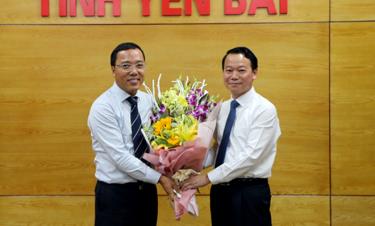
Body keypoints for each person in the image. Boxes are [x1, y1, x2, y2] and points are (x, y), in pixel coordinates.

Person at [182, 46, 281, 226]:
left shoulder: (264, 109)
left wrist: (207, 177)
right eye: (229, 70)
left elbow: (251, 156)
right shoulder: (223, 108)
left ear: (254, 73)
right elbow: (219, 147)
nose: (233, 76)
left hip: (248, 192)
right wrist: (187, 163)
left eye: (241, 70)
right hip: (220, 191)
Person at [88, 42, 176, 226]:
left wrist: (178, 168)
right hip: (115, 195)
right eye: (126, 66)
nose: (134, 71)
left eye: (139, 65)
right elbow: (121, 158)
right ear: (113, 69)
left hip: (146, 193)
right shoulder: (103, 107)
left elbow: (162, 145)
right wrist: (161, 179)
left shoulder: (151, 102)